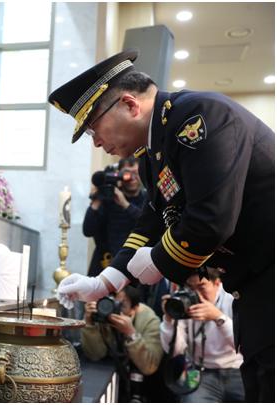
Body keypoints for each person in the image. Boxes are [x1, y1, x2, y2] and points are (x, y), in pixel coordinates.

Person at [50, 49, 274, 402]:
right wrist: (105, 280)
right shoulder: (153, 152)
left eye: (94, 128)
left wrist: (157, 261)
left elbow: (210, 221)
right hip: (255, 287)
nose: (96, 142)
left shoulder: (199, 118)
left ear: (129, 104)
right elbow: (152, 219)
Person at [160, 267, 245, 402]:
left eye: (201, 287)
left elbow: (243, 345)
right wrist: (169, 319)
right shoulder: (186, 301)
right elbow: (175, 350)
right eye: (191, 288)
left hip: (237, 370)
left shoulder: (231, 299)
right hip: (202, 372)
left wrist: (218, 317)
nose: (197, 294)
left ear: (217, 283)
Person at [81, 285, 163, 402]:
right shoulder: (102, 314)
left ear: (135, 309)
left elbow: (149, 367)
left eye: (121, 305)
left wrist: (131, 333)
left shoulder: (149, 320)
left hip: (141, 386)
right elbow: (95, 355)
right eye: (112, 301)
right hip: (107, 377)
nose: (114, 309)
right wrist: (89, 324)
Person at [83, 157, 146, 277]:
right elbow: (87, 230)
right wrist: (97, 199)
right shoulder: (107, 199)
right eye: (128, 173)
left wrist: (125, 205)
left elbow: (148, 224)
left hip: (134, 269)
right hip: (104, 265)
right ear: (119, 175)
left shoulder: (147, 199)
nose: (132, 178)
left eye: (137, 173)